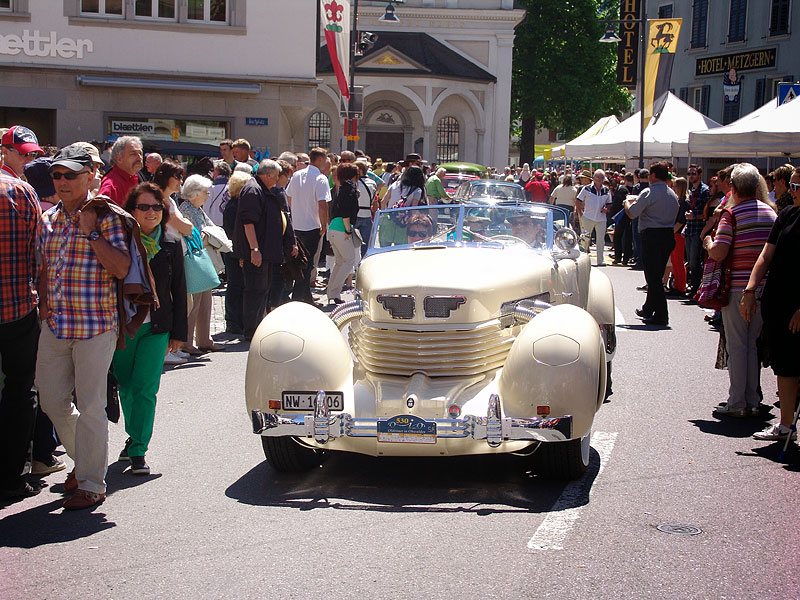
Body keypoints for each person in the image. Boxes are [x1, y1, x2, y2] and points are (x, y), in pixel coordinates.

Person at [36, 145, 131, 510]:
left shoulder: (107, 216)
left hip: (95, 324)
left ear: (90, 176)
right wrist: (44, 303)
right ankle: (87, 461)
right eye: (57, 175)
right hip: (57, 324)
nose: (61, 181)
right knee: (52, 401)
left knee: (91, 404)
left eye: (70, 175)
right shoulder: (49, 219)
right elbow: (45, 266)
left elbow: (121, 268)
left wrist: (91, 233)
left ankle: (92, 482)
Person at [115, 183, 187, 474]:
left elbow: (179, 289)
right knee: (127, 387)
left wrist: (179, 333)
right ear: (131, 210)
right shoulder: (119, 241)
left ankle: (139, 450)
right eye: (143, 207)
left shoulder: (171, 242)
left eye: (157, 206)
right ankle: (133, 435)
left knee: (146, 388)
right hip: (123, 326)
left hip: (157, 326)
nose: (151, 212)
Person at [702, 164, 776, 418]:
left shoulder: (731, 215)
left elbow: (720, 252)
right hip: (763, 289)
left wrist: (709, 243)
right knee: (752, 345)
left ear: (732, 188)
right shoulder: (771, 213)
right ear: (757, 187)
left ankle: (737, 402)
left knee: (737, 346)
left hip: (737, 288)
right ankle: (752, 399)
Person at [741, 166, 800, 440]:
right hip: (779, 300)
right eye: (792, 186)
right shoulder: (787, 214)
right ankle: (786, 425)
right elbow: (766, 255)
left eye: (798, 187)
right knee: (784, 364)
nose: (793, 192)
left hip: (797, 305)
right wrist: (750, 289)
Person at [0, 150, 42, 499]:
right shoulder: (19, 190)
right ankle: (12, 476)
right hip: (16, 307)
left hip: (17, 304)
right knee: (19, 390)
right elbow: (37, 251)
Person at [233, 159, 284, 340]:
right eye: (276, 176)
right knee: (255, 290)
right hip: (257, 252)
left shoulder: (260, 188)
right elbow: (248, 223)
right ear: (268, 175)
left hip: (265, 251)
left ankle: (257, 326)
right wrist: (254, 249)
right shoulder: (253, 190)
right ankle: (251, 331)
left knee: (262, 289)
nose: (278, 179)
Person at [624, 162, 678, 327]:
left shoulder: (649, 192)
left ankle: (662, 314)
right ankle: (648, 308)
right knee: (656, 273)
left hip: (653, 235)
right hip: (667, 234)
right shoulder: (672, 194)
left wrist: (627, 203)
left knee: (653, 277)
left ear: (653, 176)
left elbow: (632, 213)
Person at [179, 174, 222, 354]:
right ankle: (187, 342)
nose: (208, 195)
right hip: (193, 260)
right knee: (194, 303)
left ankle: (204, 339)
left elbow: (211, 230)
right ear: (195, 193)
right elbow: (196, 235)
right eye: (205, 191)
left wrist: (209, 235)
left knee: (206, 300)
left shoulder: (198, 209)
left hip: (203, 259)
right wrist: (208, 236)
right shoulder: (186, 210)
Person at [286, 147, 331, 304]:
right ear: (319, 160)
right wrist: (323, 223)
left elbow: (288, 196)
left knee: (302, 262)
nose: (326, 162)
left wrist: (296, 211)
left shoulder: (297, 175)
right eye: (325, 159)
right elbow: (323, 204)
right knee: (308, 263)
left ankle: (304, 295)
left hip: (297, 225)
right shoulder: (320, 178)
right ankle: (300, 297)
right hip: (312, 226)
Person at [326, 163, 360, 305]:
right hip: (342, 229)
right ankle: (334, 292)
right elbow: (346, 212)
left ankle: (332, 293)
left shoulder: (341, 189)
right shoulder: (349, 189)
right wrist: (348, 229)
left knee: (340, 262)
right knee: (348, 261)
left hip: (334, 228)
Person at [222, 171, 250, 334]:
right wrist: (240, 254)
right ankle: (232, 321)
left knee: (240, 285)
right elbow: (233, 233)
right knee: (235, 285)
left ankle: (239, 319)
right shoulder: (233, 207)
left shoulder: (237, 205)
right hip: (234, 251)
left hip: (237, 250)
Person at [683, 164, 710, 297]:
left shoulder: (705, 191)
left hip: (698, 229)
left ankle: (696, 290)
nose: (691, 176)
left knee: (695, 262)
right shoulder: (692, 190)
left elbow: (706, 214)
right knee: (690, 261)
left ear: (699, 174)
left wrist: (694, 216)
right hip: (690, 228)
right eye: (689, 173)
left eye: (693, 173)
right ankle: (694, 287)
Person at [577, 169, 612, 266]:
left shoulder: (606, 190)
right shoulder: (587, 188)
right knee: (585, 239)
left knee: (600, 240)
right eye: (598, 177)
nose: (600, 179)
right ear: (593, 178)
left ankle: (600, 260)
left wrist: (606, 209)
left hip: (601, 219)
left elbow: (609, 203)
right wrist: (580, 213)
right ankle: (581, 258)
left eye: (602, 177)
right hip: (588, 217)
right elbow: (578, 200)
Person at [98, 136, 143, 206]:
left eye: (140, 153)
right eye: (133, 154)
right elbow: (102, 212)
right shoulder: (111, 186)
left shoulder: (135, 177)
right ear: (119, 159)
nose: (139, 157)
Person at [666, 177, 689, 294]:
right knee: (674, 261)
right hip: (675, 233)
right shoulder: (678, 201)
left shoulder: (684, 202)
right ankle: (677, 284)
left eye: (675, 186)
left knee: (678, 261)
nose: (673, 188)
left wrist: (671, 232)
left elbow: (681, 221)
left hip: (678, 234)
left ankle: (681, 287)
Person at [355, 161, 376, 258]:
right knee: (365, 245)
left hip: (356, 215)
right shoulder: (373, 183)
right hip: (367, 215)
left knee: (353, 245)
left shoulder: (354, 183)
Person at [612, 173, 635, 265]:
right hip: (631, 216)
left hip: (620, 217)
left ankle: (618, 257)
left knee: (617, 237)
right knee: (628, 238)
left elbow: (616, 203)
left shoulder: (621, 189)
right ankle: (626, 258)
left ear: (625, 179)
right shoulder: (635, 189)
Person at [205, 159, 231, 226]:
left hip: (213, 222)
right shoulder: (231, 187)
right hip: (228, 222)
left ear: (216, 172)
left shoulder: (211, 188)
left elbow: (206, 208)